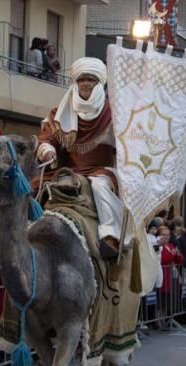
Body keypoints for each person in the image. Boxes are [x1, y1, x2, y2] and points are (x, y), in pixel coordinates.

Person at [36, 57, 127, 260]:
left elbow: (128, 144)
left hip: (101, 170)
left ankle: (111, 235)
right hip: (68, 172)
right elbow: (47, 138)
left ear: (99, 83)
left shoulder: (115, 112)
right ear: (75, 82)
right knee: (33, 188)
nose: (85, 84)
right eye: (81, 80)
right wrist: (47, 150)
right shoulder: (58, 112)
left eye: (91, 80)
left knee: (99, 186)